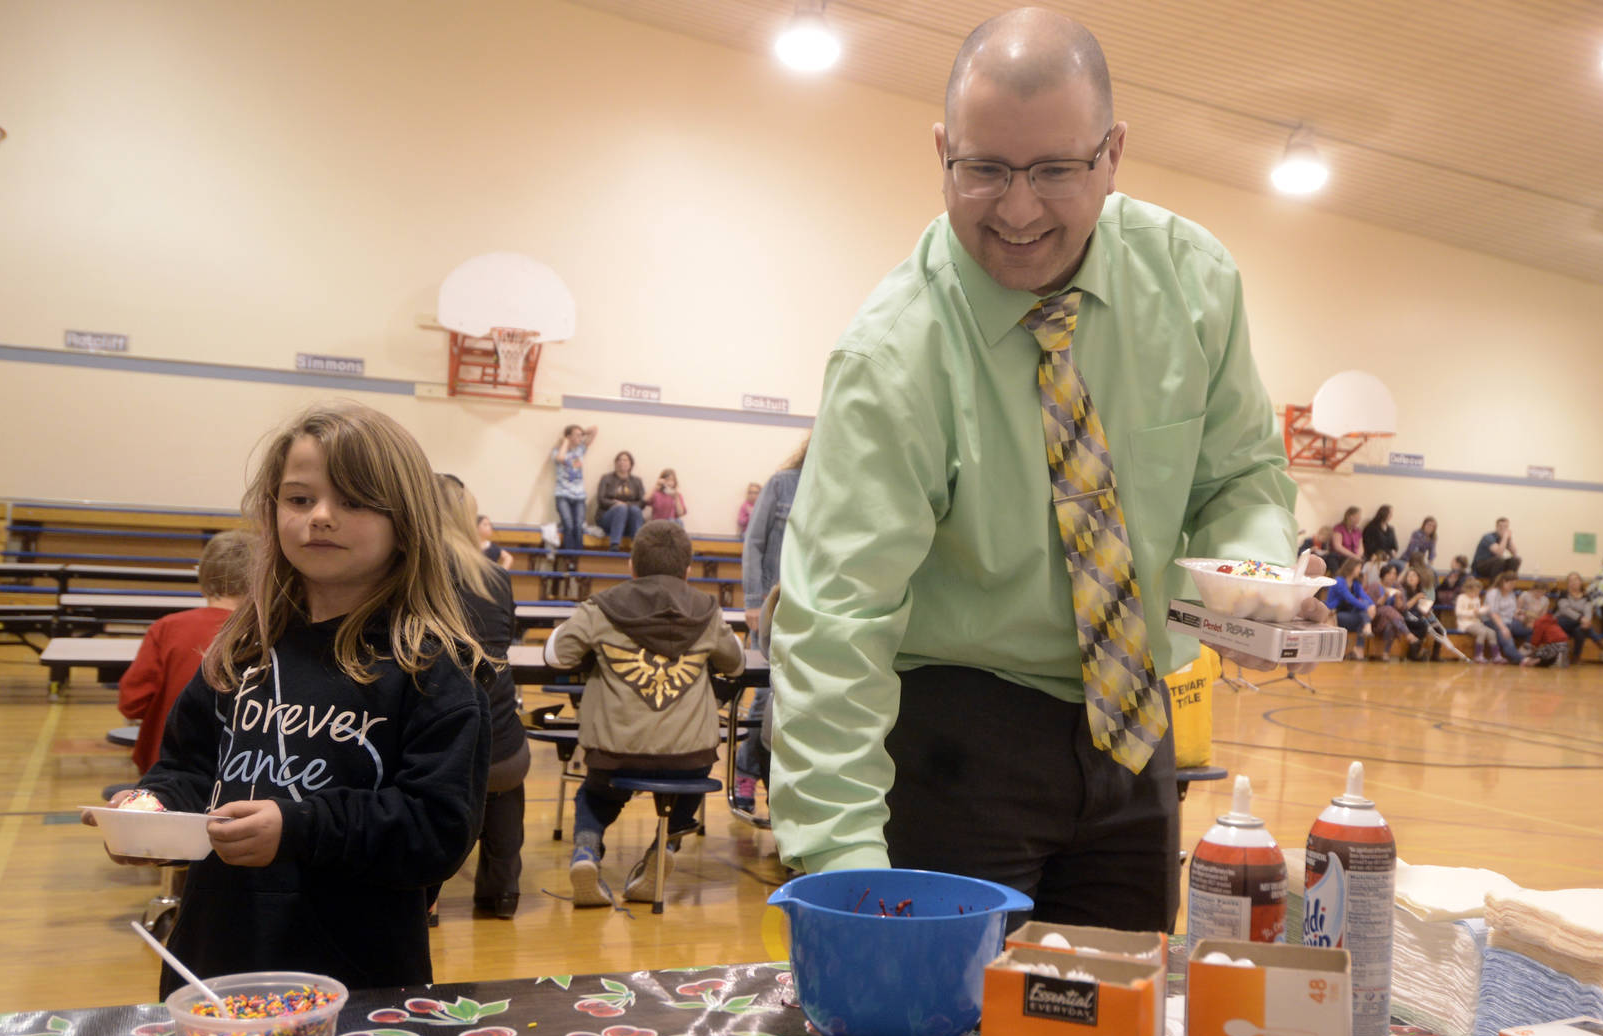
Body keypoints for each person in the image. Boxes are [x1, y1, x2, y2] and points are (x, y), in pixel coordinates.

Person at [769, 9, 1306, 934]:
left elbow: (1242, 476)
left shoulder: (1192, 284)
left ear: (1113, 154)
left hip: (1138, 733)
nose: (1018, 212)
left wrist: (1251, 568)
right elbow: (836, 620)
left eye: (1056, 170)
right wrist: (847, 868)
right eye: (983, 170)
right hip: (957, 744)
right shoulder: (894, 356)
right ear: (942, 151)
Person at [89, 403, 488, 995]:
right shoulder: (240, 651)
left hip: (354, 981)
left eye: (352, 501)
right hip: (213, 965)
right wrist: (151, 806)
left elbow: (437, 831)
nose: (321, 518)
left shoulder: (432, 668)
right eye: (299, 500)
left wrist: (301, 826)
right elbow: (191, 768)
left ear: (405, 521)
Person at [546, 521, 744, 906]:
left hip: (615, 750)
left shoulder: (602, 607)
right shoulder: (706, 610)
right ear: (687, 570)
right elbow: (735, 664)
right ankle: (662, 850)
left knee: (596, 796)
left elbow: (556, 655)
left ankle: (586, 852)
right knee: (688, 790)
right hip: (689, 755)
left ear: (632, 567)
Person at [439, 476, 530, 920]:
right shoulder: (496, 575)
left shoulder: (408, 572)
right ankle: (502, 893)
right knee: (503, 785)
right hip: (504, 743)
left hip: (441, 752)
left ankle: (426, 895)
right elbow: (505, 636)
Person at [117, 531, 253, 773]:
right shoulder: (269, 634)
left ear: (203, 574)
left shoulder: (167, 628)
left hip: (167, 768)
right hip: (243, 771)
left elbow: (132, 702)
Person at [733, 436, 809, 827]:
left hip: (810, 615)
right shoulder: (782, 484)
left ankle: (773, 788)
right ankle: (746, 776)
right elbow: (755, 542)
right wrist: (751, 601)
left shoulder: (837, 489)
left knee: (785, 707)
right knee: (763, 699)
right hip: (771, 608)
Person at [550, 424, 596, 553]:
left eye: (580, 435)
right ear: (568, 437)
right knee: (568, 524)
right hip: (562, 494)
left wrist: (582, 432)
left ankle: (578, 556)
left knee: (578, 525)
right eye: (576, 435)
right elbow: (560, 458)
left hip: (579, 496)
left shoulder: (580, 450)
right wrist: (565, 441)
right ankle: (569, 555)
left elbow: (595, 430)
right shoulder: (557, 451)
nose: (580, 438)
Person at [1326, 555, 1377, 658]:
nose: (1360, 570)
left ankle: (1359, 648)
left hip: (1349, 615)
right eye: (1359, 567)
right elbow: (1350, 598)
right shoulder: (1339, 581)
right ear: (1352, 567)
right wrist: (1367, 608)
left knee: (1363, 611)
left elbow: (1364, 596)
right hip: (1336, 615)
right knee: (1362, 614)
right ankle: (1359, 646)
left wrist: (1372, 605)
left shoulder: (1355, 583)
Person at [596, 451, 648, 548]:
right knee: (621, 509)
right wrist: (615, 504)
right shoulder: (606, 478)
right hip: (608, 518)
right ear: (615, 463)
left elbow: (642, 503)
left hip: (630, 519)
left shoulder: (637, 481)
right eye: (619, 460)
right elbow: (601, 500)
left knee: (635, 510)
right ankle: (615, 544)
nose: (622, 462)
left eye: (625, 460)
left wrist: (626, 504)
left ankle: (637, 546)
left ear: (631, 464)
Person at [1554, 571, 1603, 664]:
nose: (1573, 582)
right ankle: (1597, 639)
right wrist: (1581, 619)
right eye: (1571, 580)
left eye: (1576, 579)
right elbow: (1564, 610)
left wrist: (1586, 620)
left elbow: (1588, 611)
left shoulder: (1586, 596)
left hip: (1578, 624)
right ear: (1568, 583)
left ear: (1580, 582)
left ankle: (1576, 657)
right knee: (1578, 623)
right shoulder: (1563, 593)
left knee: (1580, 630)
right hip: (1561, 621)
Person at [1483, 572, 1527, 664]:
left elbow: (1513, 611)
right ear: (1503, 582)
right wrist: (1503, 628)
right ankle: (1522, 659)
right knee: (1506, 637)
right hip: (1493, 621)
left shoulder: (1511, 594)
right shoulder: (1493, 593)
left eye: (1514, 584)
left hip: (1509, 620)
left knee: (1530, 629)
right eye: (1511, 584)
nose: (1513, 586)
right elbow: (1493, 613)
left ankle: (1525, 654)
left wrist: (1521, 616)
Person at [1453, 577, 1499, 662]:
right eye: (1475, 592)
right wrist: (1472, 613)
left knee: (1492, 633)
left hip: (1476, 623)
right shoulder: (1461, 598)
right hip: (1465, 624)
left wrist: (1483, 610)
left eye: (1478, 592)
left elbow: (1478, 612)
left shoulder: (1476, 599)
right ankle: (1478, 655)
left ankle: (1496, 655)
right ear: (1468, 590)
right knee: (1482, 632)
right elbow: (1458, 613)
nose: (1477, 594)